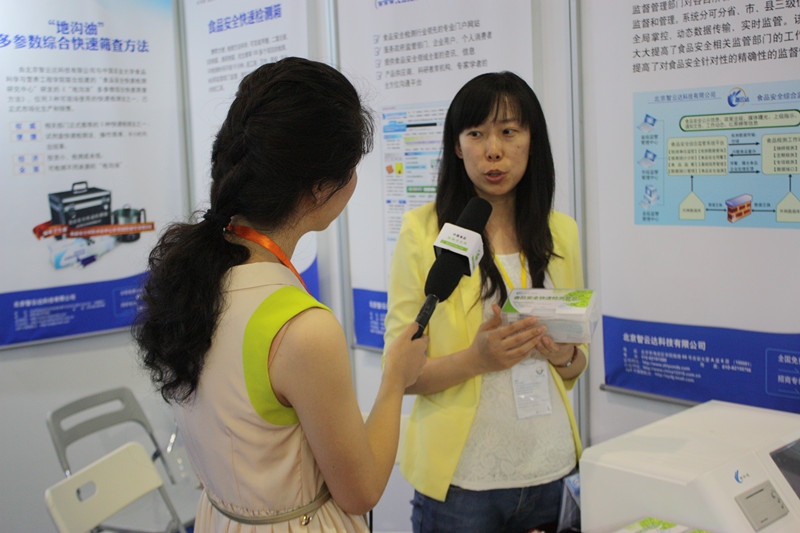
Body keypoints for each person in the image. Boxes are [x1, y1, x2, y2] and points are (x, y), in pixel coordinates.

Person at [134, 57, 428, 532]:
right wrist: (395, 378)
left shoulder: (189, 275)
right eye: (351, 168)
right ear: (320, 189)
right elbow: (361, 490)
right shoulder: (304, 330)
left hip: (220, 518)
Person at [383, 71, 587, 533]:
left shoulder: (561, 232)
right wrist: (477, 360)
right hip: (462, 483)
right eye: (476, 134)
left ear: (532, 141)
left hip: (552, 467)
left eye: (509, 132)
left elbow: (576, 365)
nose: (493, 150)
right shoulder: (423, 232)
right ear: (457, 146)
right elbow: (399, 373)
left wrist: (563, 355)